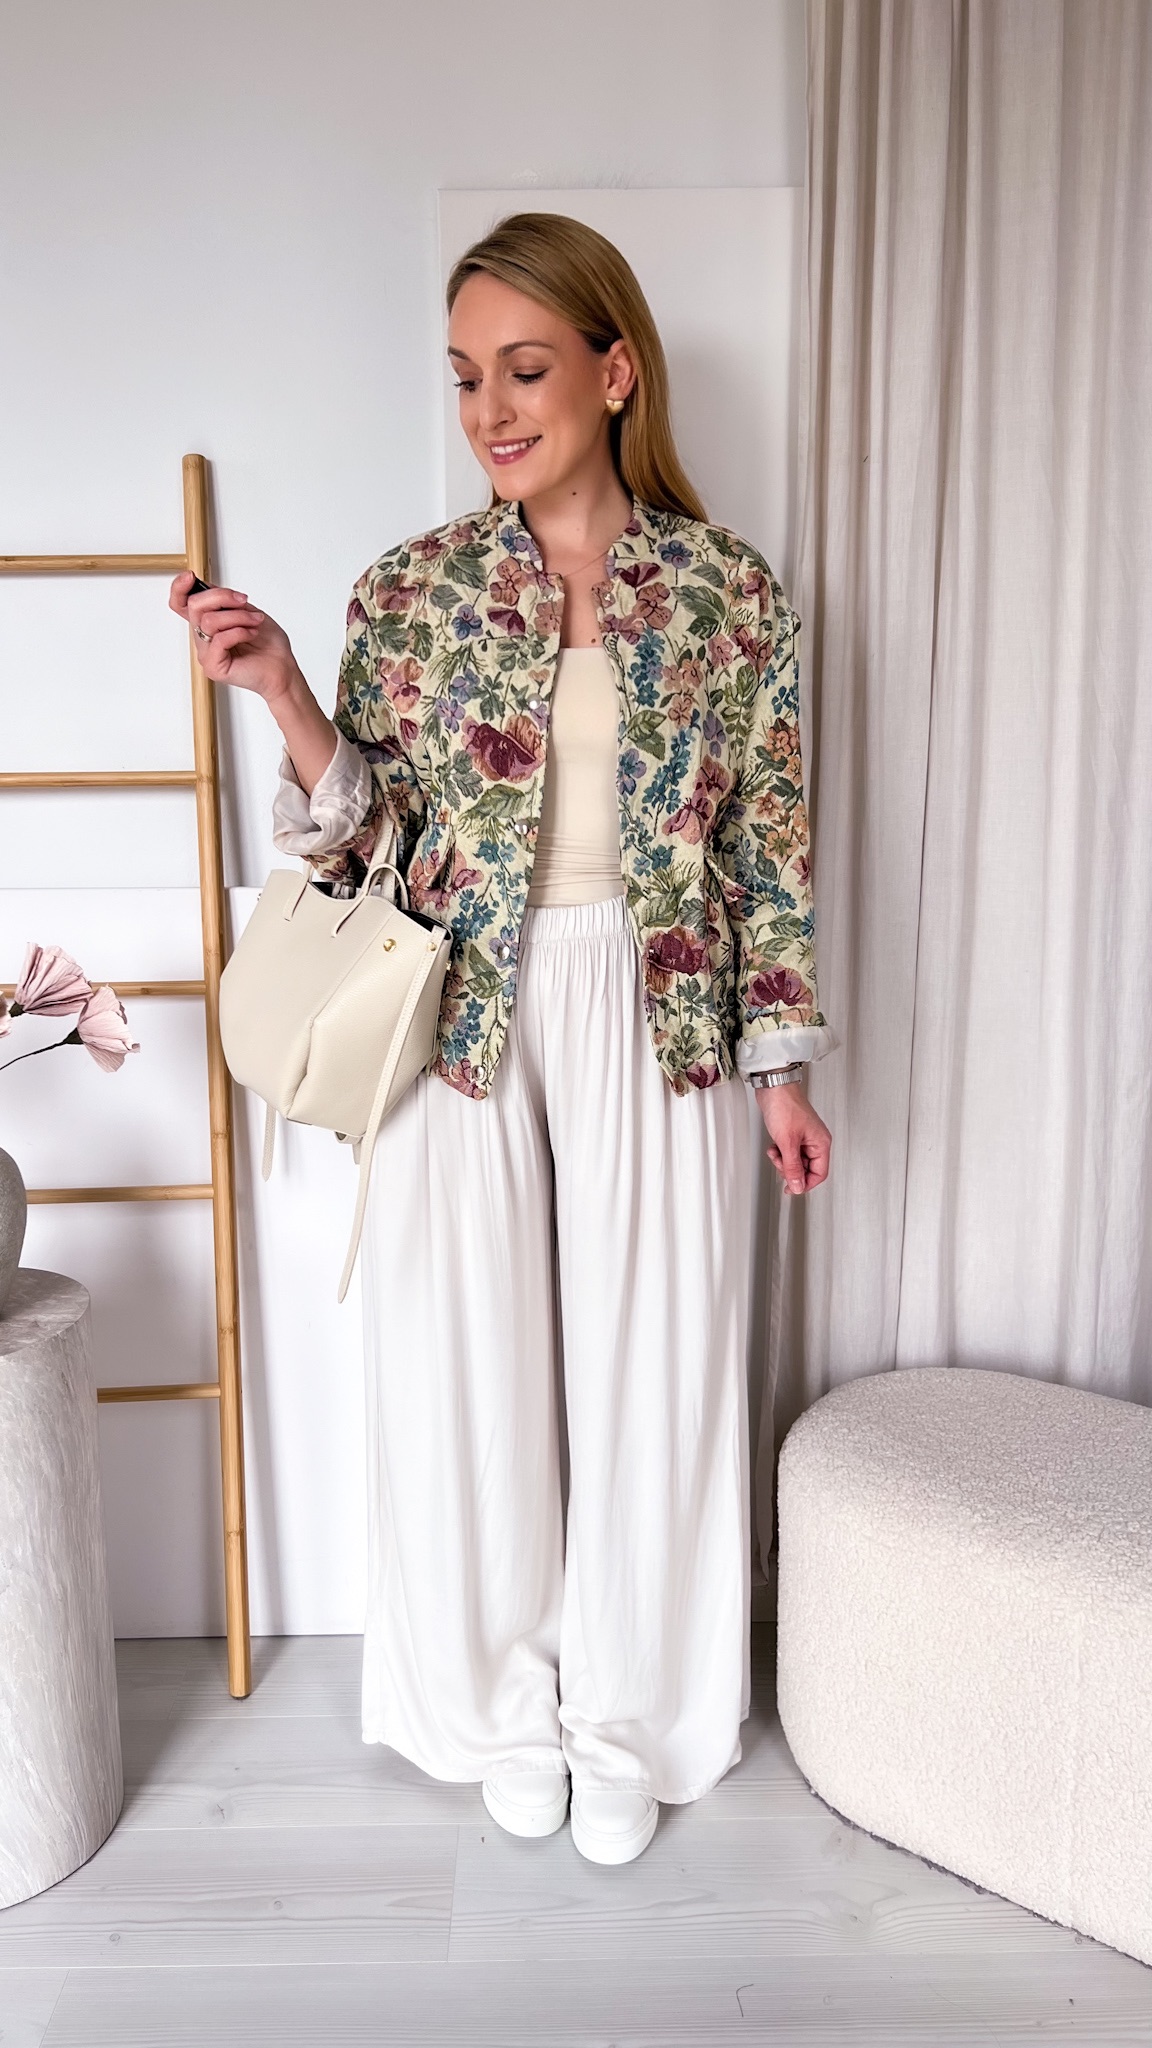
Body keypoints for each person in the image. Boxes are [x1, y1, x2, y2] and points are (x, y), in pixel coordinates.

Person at [170, 211, 833, 1868]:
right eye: (467, 377)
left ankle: (631, 1715)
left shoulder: (731, 592)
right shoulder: (410, 592)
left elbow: (768, 844)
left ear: (616, 371)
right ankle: (498, 1706)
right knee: (468, 1365)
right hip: (461, 1005)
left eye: (525, 370)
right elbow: (365, 841)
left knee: (656, 1366)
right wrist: (284, 692)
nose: (491, 411)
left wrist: (783, 1065)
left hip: (664, 1003)